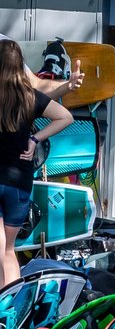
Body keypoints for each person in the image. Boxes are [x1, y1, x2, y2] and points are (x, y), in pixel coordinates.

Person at [0, 40, 73, 287]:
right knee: (8, 250)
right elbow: (65, 117)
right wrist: (35, 139)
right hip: (20, 183)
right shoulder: (29, 96)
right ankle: (10, 304)